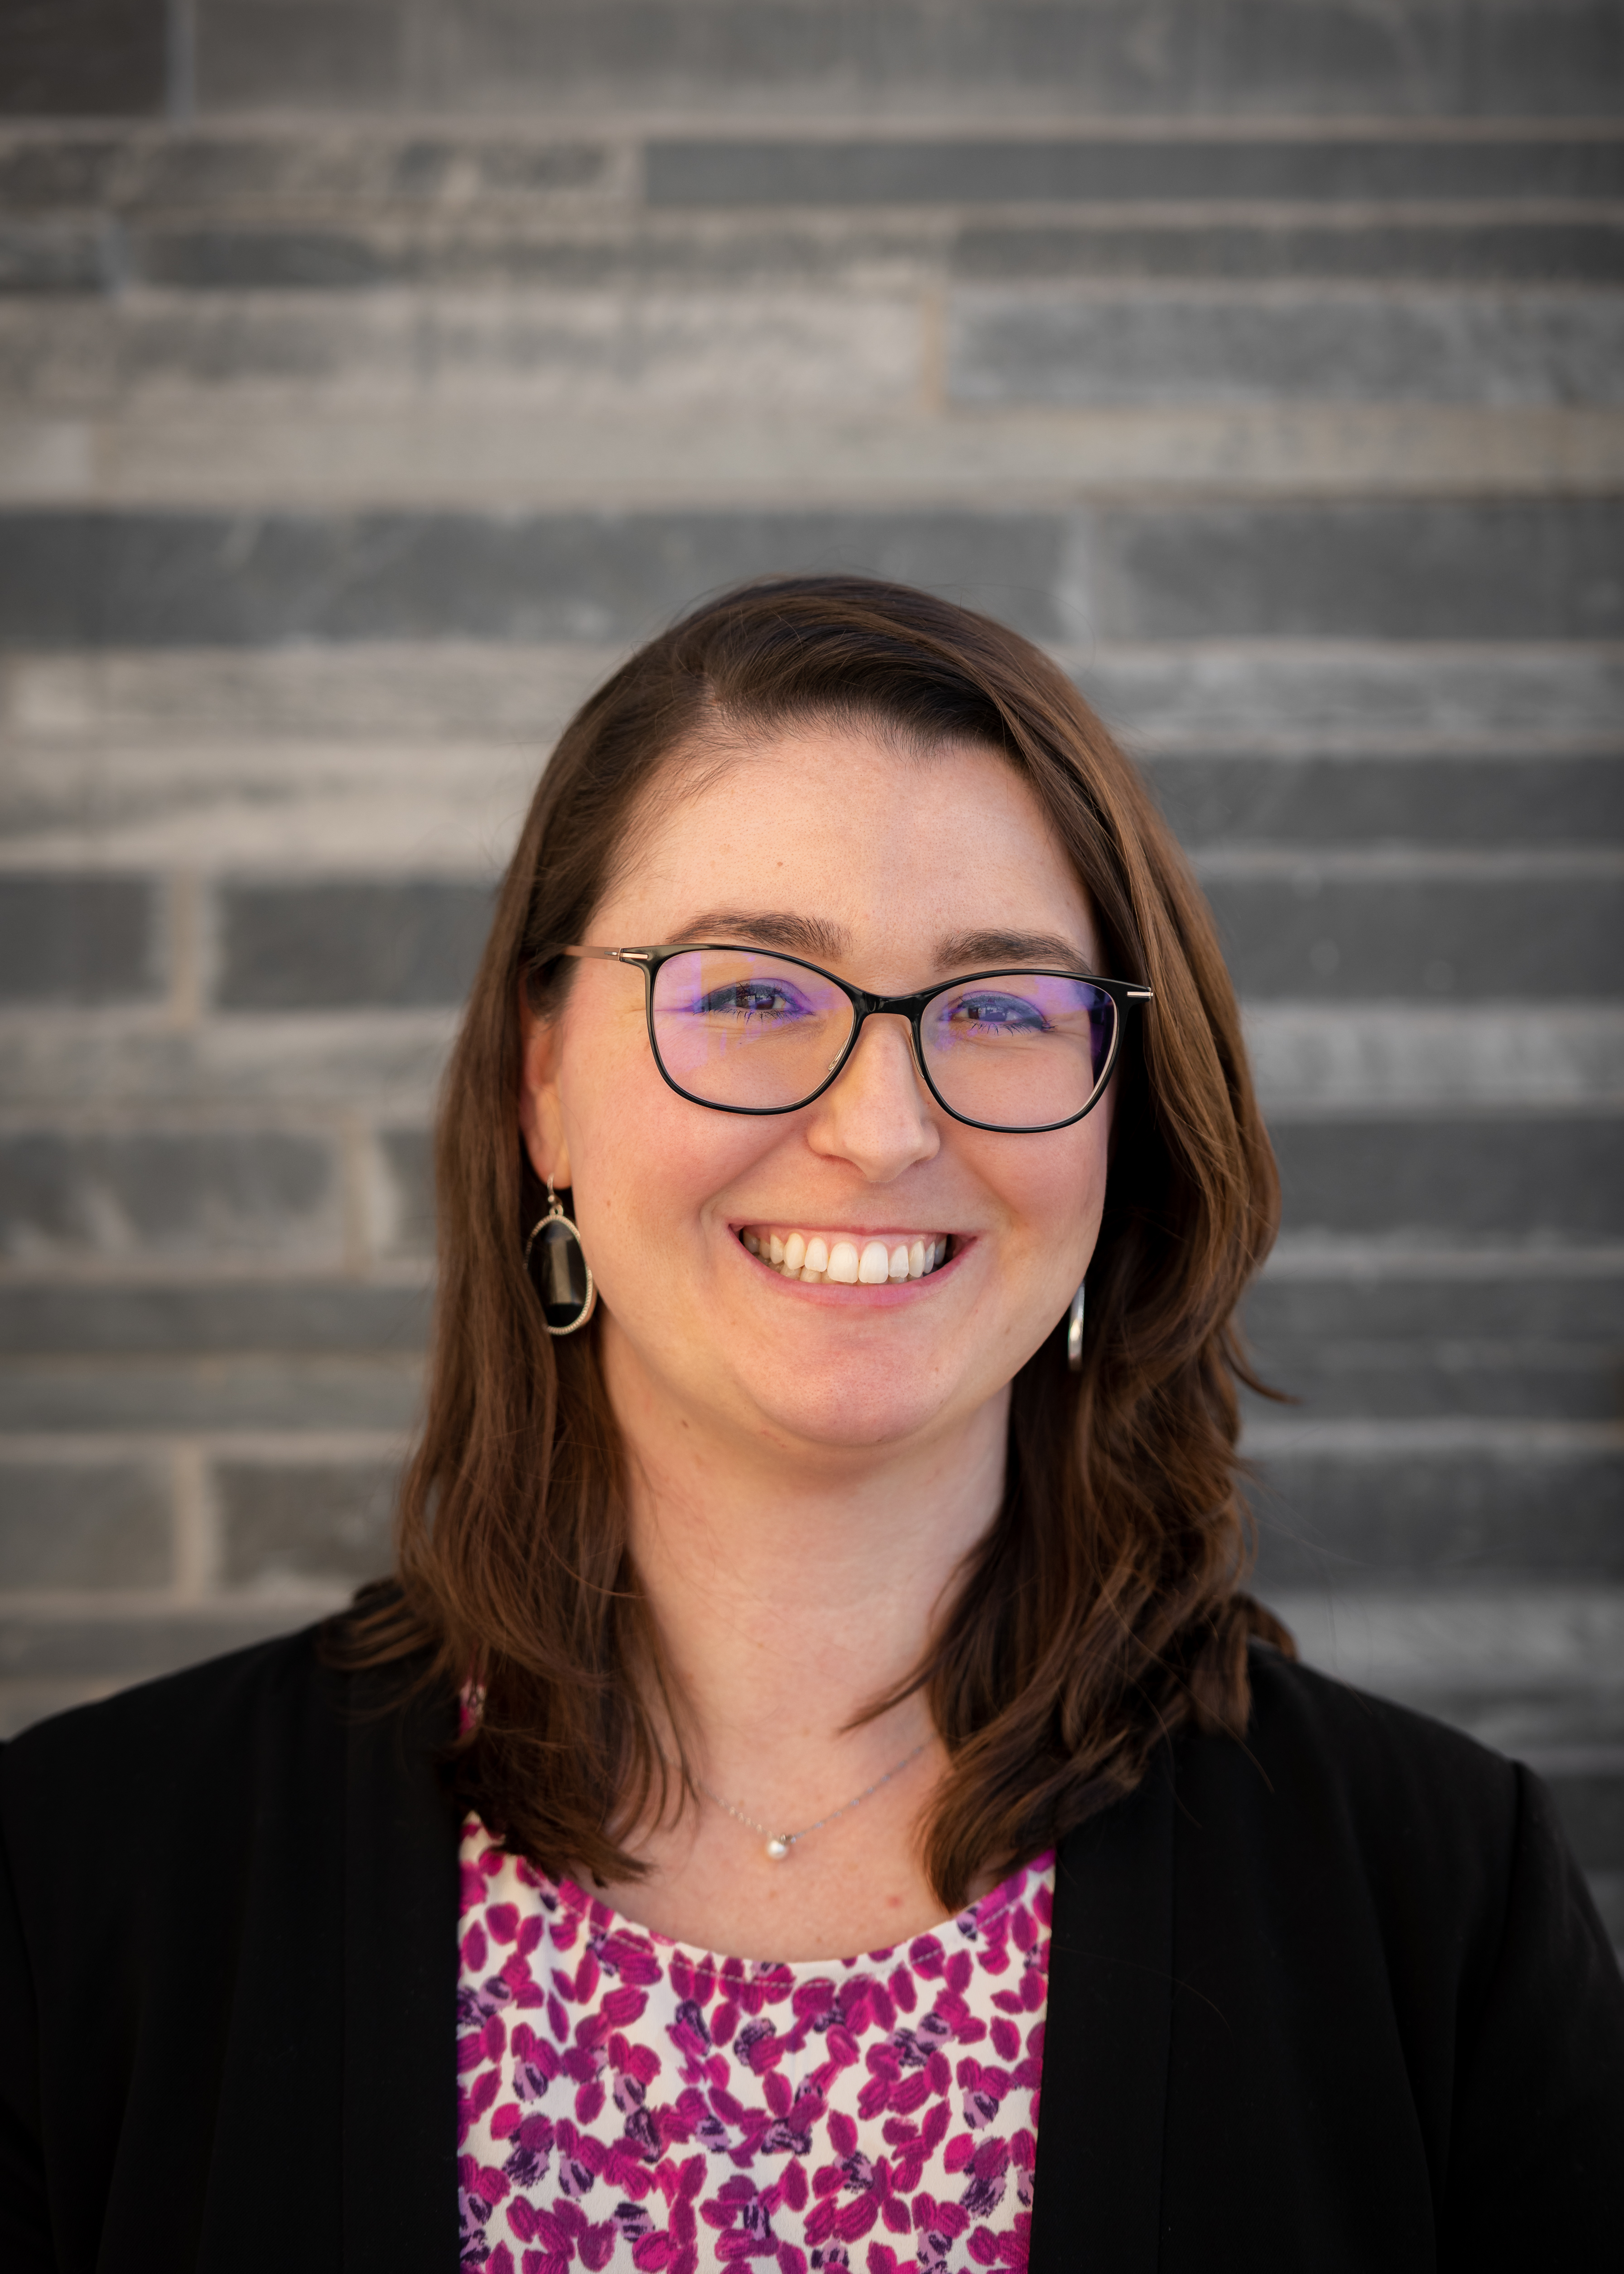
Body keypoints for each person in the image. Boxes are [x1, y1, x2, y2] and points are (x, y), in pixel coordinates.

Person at [1, 575, 1619, 2274]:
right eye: (755, 992)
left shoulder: (1440, 1906)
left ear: (1119, 1116)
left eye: (999, 1007)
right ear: (537, 1078)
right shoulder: (82, 1880)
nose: (878, 1128)